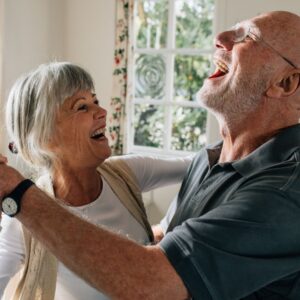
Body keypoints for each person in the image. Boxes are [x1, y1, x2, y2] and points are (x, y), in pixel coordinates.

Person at [1, 9, 300, 299]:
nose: (219, 37)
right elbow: (174, 240)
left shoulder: (285, 191)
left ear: (285, 82)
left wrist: (17, 193)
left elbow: (151, 284)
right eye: (81, 106)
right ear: (44, 137)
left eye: (246, 36)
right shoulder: (207, 160)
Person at [0, 62, 191, 300]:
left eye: (95, 101)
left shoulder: (127, 172)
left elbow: (201, 164)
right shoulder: (23, 215)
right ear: (45, 137)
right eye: (81, 107)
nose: (102, 113)